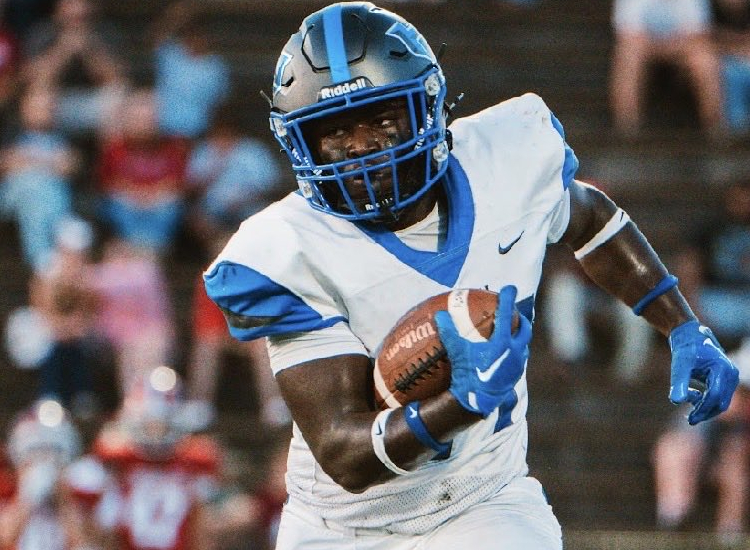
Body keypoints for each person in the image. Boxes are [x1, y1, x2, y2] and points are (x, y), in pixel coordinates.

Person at [203, 3, 740, 548]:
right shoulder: (288, 248)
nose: (361, 150)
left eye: (382, 122)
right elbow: (344, 454)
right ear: (300, 143)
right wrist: (458, 404)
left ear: (427, 109)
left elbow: (590, 217)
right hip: (343, 529)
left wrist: (681, 325)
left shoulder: (502, 164)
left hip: (484, 501)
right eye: (335, 133)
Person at [652, 337, 750, 545]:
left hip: (732, 468)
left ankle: (729, 535)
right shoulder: (704, 411)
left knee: (734, 467)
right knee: (674, 449)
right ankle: (675, 519)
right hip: (705, 463)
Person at [609, 0, 724, 135]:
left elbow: (698, 35)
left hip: (681, 50)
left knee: (705, 60)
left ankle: (715, 129)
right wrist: (661, 46)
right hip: (644, 49)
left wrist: (668, 47)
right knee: (628, 55)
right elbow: (627, 35)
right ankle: (627, 128)